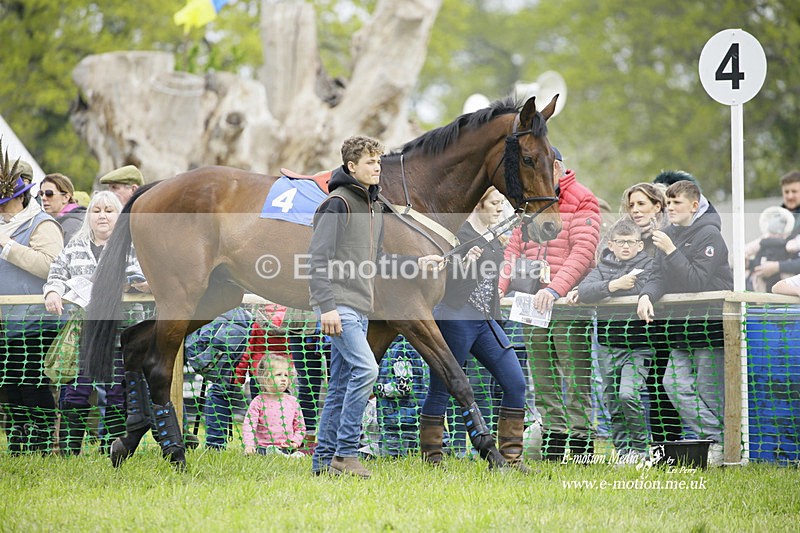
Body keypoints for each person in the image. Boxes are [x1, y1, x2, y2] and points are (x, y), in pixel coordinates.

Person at [308, 135, 443, 478]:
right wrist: (326, 307)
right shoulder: (337, 204)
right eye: (370, 163)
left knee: (339, 384)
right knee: (367, 370)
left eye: (379, 162)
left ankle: (323, 461)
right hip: (339, 306)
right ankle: (346, 454)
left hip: (361, 307)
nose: (377, 168)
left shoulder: (373, 206)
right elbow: (316, 260)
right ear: (351, 167)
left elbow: (378, 261)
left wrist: (417, 266)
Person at [499, 147, 601, 461]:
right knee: (542, 379)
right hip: (530, 306)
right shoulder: (532, 200)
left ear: (556, 167)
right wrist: (498, 291)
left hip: (568, 305)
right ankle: (554, 444)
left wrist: (555, 289)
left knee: (575, 377)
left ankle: (582, 446)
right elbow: (513, 251)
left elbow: (583, 252)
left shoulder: (584, 199)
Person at [420, 186, 531, 472]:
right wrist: (466, 264)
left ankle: (511, 457)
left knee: (515, 382)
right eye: (494, 203)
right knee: (442, 386)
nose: (499, 208)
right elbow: (447, 284)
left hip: (485, 320)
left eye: (501, 203)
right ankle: (433, 457)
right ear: (478, 204)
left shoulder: (493, 237)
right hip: (455, 317)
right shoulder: (458, 236)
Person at [637, 178, 733, 467]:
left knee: (708, 391)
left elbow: (695, 281)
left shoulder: (710, 236)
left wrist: (671, 250)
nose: (671, 208)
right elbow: (657, 276)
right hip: (679, 329)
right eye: (668, 203)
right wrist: (645, 295)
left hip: (709, 327)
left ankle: (722, 449)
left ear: (694, 204)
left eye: (676, 202)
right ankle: (715, 439)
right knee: (672, 384)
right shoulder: (666, 234)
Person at [43, 191, 146, 454]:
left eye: (109, 211)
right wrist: (53, 291)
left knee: (115, 391)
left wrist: (135, 284)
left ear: (119, 217)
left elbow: (140, 276)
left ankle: (110, 449)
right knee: (77, 389)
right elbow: (56, 272)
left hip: (120, 330)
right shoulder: (75, 247)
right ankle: (69, 451)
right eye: (97, 210)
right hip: (84, 331)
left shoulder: (131, 248)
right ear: (89, 217)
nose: (102, 215)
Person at [569, 217, 654, 463]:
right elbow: (584, 290)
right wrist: (614, 285)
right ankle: (623, 451)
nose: (625, 246)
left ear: (639, 245)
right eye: (620, 242)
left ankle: (640, 450)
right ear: (611, 244)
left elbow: (650, 286)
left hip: (639, 345)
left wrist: (611, 289)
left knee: (628, 395)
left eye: (630, 242)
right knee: (612, 401)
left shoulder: (648, 265)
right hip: (607, 344)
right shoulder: (603, 266)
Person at [0, 150, 64, 453]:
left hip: (37, 322)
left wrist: (8, 246)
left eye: (6, 201)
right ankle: (18, 443)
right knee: (8, 386)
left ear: (21, 197)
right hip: (5, 322)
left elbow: (51, 266)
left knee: (32, 384)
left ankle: (39, 445)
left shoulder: (42, 225)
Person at [620, 181, 681, 443]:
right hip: (637, 326)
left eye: (642, 204)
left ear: (658, 206)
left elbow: (667, 276)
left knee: (663, 387)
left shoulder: (669, 234)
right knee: (645, 390)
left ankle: (670, 444)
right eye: (632, 205)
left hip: (666, 322)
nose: (635, 210)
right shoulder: (625, 236)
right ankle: (649, 446)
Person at [183, 307, 252, 450]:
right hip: (229, 332)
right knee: (220, 389)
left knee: (220, 389)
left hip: (229, 332)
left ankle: (215, 444)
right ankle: (214, 444)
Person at [374, 336, 428, 457]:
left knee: (393, 459)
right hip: (403, 419)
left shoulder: (400, 350)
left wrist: (377, 389)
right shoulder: (405, 346)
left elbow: (404, 387)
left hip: (398, 421)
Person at [242, 353, 305, 456]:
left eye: (286, 375)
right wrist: (249, 445)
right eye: (278, 375)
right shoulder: (258, 401)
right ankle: (277, 454)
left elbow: (300, 427)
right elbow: (249, 425)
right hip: (263, 448)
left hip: (286, 447)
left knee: (297, 454)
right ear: (265, 378)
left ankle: (287, 455)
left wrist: (294, 442)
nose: (284, 379)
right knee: (266, 452)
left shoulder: (293, 402)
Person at [745, 206, 796, 292]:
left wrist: (777, 267)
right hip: (762, 277)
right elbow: (747, 250)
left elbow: (792, 249)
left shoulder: (790, 242)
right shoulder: (763, 242)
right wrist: (748, 263)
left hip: (784, 282)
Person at [39, 173, 87, 244]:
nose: (43, 198)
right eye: (41, 194)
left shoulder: (73, 225)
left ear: (66, 197)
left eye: (49, 193)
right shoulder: (59, 221)